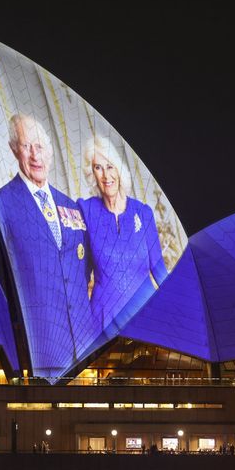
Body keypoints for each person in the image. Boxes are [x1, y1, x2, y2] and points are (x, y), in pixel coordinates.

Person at [0, 113, 95, 378]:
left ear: (50, 152)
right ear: (15, 150)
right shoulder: (0, 204)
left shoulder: (71, 206)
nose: (35, 155)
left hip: (85, 350)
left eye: (40, 147)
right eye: (27, 146)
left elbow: (83, 273)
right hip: (40, 350)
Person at [77, 137, 168, 340]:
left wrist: (176, 308)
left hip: (145, 317)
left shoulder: (143, 213)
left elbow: (159, 269)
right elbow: (82, 273)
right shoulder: (86, 210)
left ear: (119, 169)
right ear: (92, 174)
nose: (106, 175)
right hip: (103, 324)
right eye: (98, 168)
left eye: (110, 166)